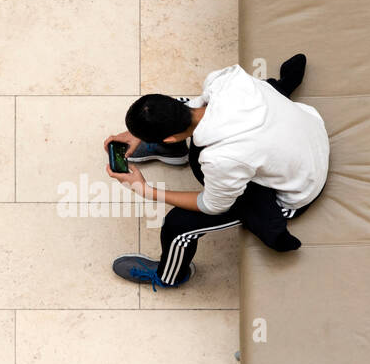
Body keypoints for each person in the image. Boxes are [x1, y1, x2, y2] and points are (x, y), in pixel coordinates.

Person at [103, 54, 327, 289]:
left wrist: (145, 189)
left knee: (178, 225)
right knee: (205, 145)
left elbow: (212, 205)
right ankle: (174, 151)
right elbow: (187, 105)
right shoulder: (225, 80)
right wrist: (138, 132)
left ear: (169, 137)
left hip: (298, 189)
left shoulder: (222, 159)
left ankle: (170, 276)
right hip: (307, 128)